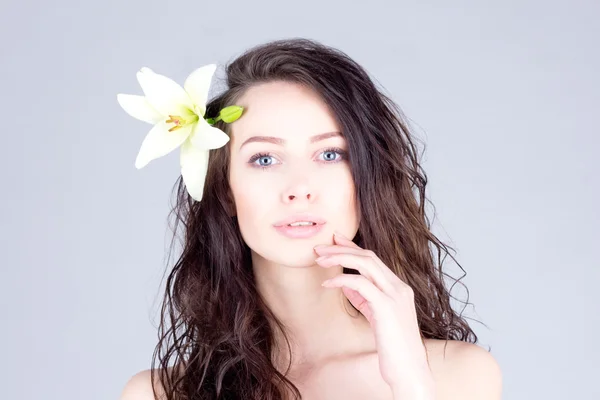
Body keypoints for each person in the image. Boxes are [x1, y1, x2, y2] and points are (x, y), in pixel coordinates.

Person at [116, 38, 502, 400]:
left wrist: (411, 381)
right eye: (264, 159)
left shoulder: (457, 375)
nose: (299, 189)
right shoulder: (159, 394)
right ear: (226, 190)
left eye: (330, 154)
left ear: (368, 177)